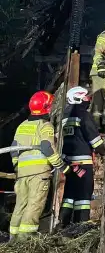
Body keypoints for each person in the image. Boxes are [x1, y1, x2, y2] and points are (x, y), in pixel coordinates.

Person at [9, 91, 77, 239]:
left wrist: (17, 168)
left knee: (19, 206)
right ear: (46, 108)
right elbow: (47, 147)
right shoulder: (45, 126)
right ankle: (25, 242)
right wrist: (62, 166)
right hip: (39, 175)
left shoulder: (22, 126)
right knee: (33, 207)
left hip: (22, 174)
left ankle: (12, 240)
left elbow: (13, 150)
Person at [59, 86, 105, 227]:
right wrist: (104, 151)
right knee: (84, 194)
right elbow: (93, 138)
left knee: (70, 194)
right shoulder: (83, 115)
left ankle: (63, 222)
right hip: (83, 162)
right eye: (86, 97)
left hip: (69, 162)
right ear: (78, 98)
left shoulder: (64, 116)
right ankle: (82, 223)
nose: (89, 100)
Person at [90, 22, 105, 131]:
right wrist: (101, 66)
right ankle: (98, 125)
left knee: (103, 100)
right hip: (101, 73)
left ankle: (102, 124)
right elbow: (97, 51)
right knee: (103, 99)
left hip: (104, 72)